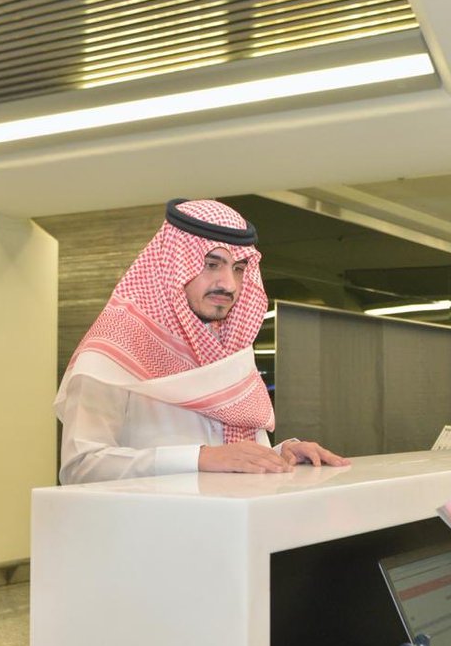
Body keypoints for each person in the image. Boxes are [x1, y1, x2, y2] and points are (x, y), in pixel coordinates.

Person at [56, 198, 347, 483]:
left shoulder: (230, 350)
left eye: (238, 268)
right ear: (172, 265)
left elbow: (228, 455)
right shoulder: (113, 351)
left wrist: (278, 454)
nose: (229, 284)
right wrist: (200, 458)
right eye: (211, 264)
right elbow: (80, 467)